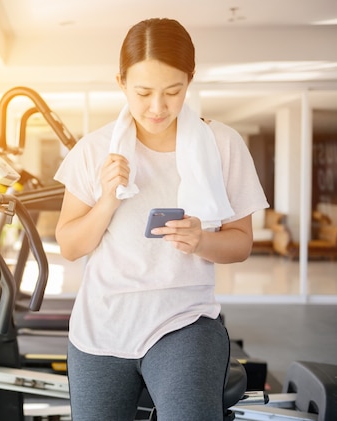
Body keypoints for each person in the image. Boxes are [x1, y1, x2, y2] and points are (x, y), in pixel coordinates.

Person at [54, 18, 269, 420]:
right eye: (143, 92)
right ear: (121, 83)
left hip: (183, 321)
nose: (158, 107)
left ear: (190, 80)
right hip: (101, 327)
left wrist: (202, 241)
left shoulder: (222, 145)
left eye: (173, 91)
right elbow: (69, 246)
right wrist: (106, 201)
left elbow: (240, 242)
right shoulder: (93, 150)